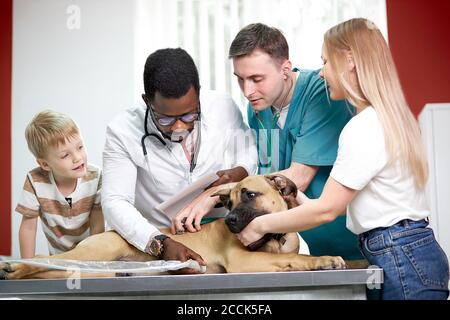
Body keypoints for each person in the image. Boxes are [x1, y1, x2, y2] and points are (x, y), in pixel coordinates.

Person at [236, 18, 450, 300]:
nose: (322, 74)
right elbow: (336, 207)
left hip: (398, 255)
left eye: (326, 62)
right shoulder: (386, 117)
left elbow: (326, 210)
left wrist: (259, 225)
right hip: (408, 250)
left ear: (349, 61)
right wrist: (295, 196)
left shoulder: (363, 127)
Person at [173, 23, 361, 261]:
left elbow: (298, 178)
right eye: (240, 79)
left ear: (285, 69)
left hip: (354, 239)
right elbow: (265, 176)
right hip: (317, 243)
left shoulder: (322, 93)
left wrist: (212, 196)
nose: (247, 91)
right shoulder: (257, 110)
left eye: (256, 79)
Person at [102, 48, 257, 273]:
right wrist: (159, 244)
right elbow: (114, 201)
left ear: (199, 96)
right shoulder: (122, 131)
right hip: (158, 238)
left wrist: (239, 172)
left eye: (188, 116)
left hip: (218, 235)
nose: (179, 127)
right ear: (147, 101)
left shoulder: (222, 106)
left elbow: (248, 150)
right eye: (165, 118)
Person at [16, 110, 104, 258]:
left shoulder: (95, 177)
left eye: (80, 147)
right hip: (58, 259)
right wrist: (27, 266)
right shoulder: (35, 181)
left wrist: (97, 263)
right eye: (65, 155)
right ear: (45, 164)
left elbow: (97, 225)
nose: (77, 158)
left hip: (91, 255)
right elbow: (28, 228)